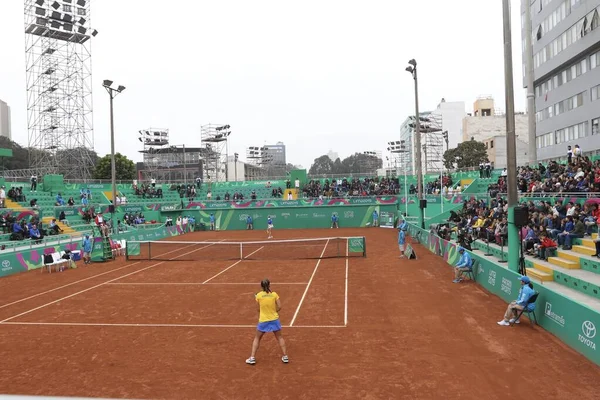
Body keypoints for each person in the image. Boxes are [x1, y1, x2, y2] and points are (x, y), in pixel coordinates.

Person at [246, 279, 289, 365]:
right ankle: (285, 356)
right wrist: (274, 311)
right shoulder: (274, 294)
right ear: (269, 285)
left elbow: (258, 309)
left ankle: (252, 358)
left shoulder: (258, 296)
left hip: (263, 321)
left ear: (261, 286)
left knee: (257, 338)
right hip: (274, 320)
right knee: (280, 337)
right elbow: (280, 307)